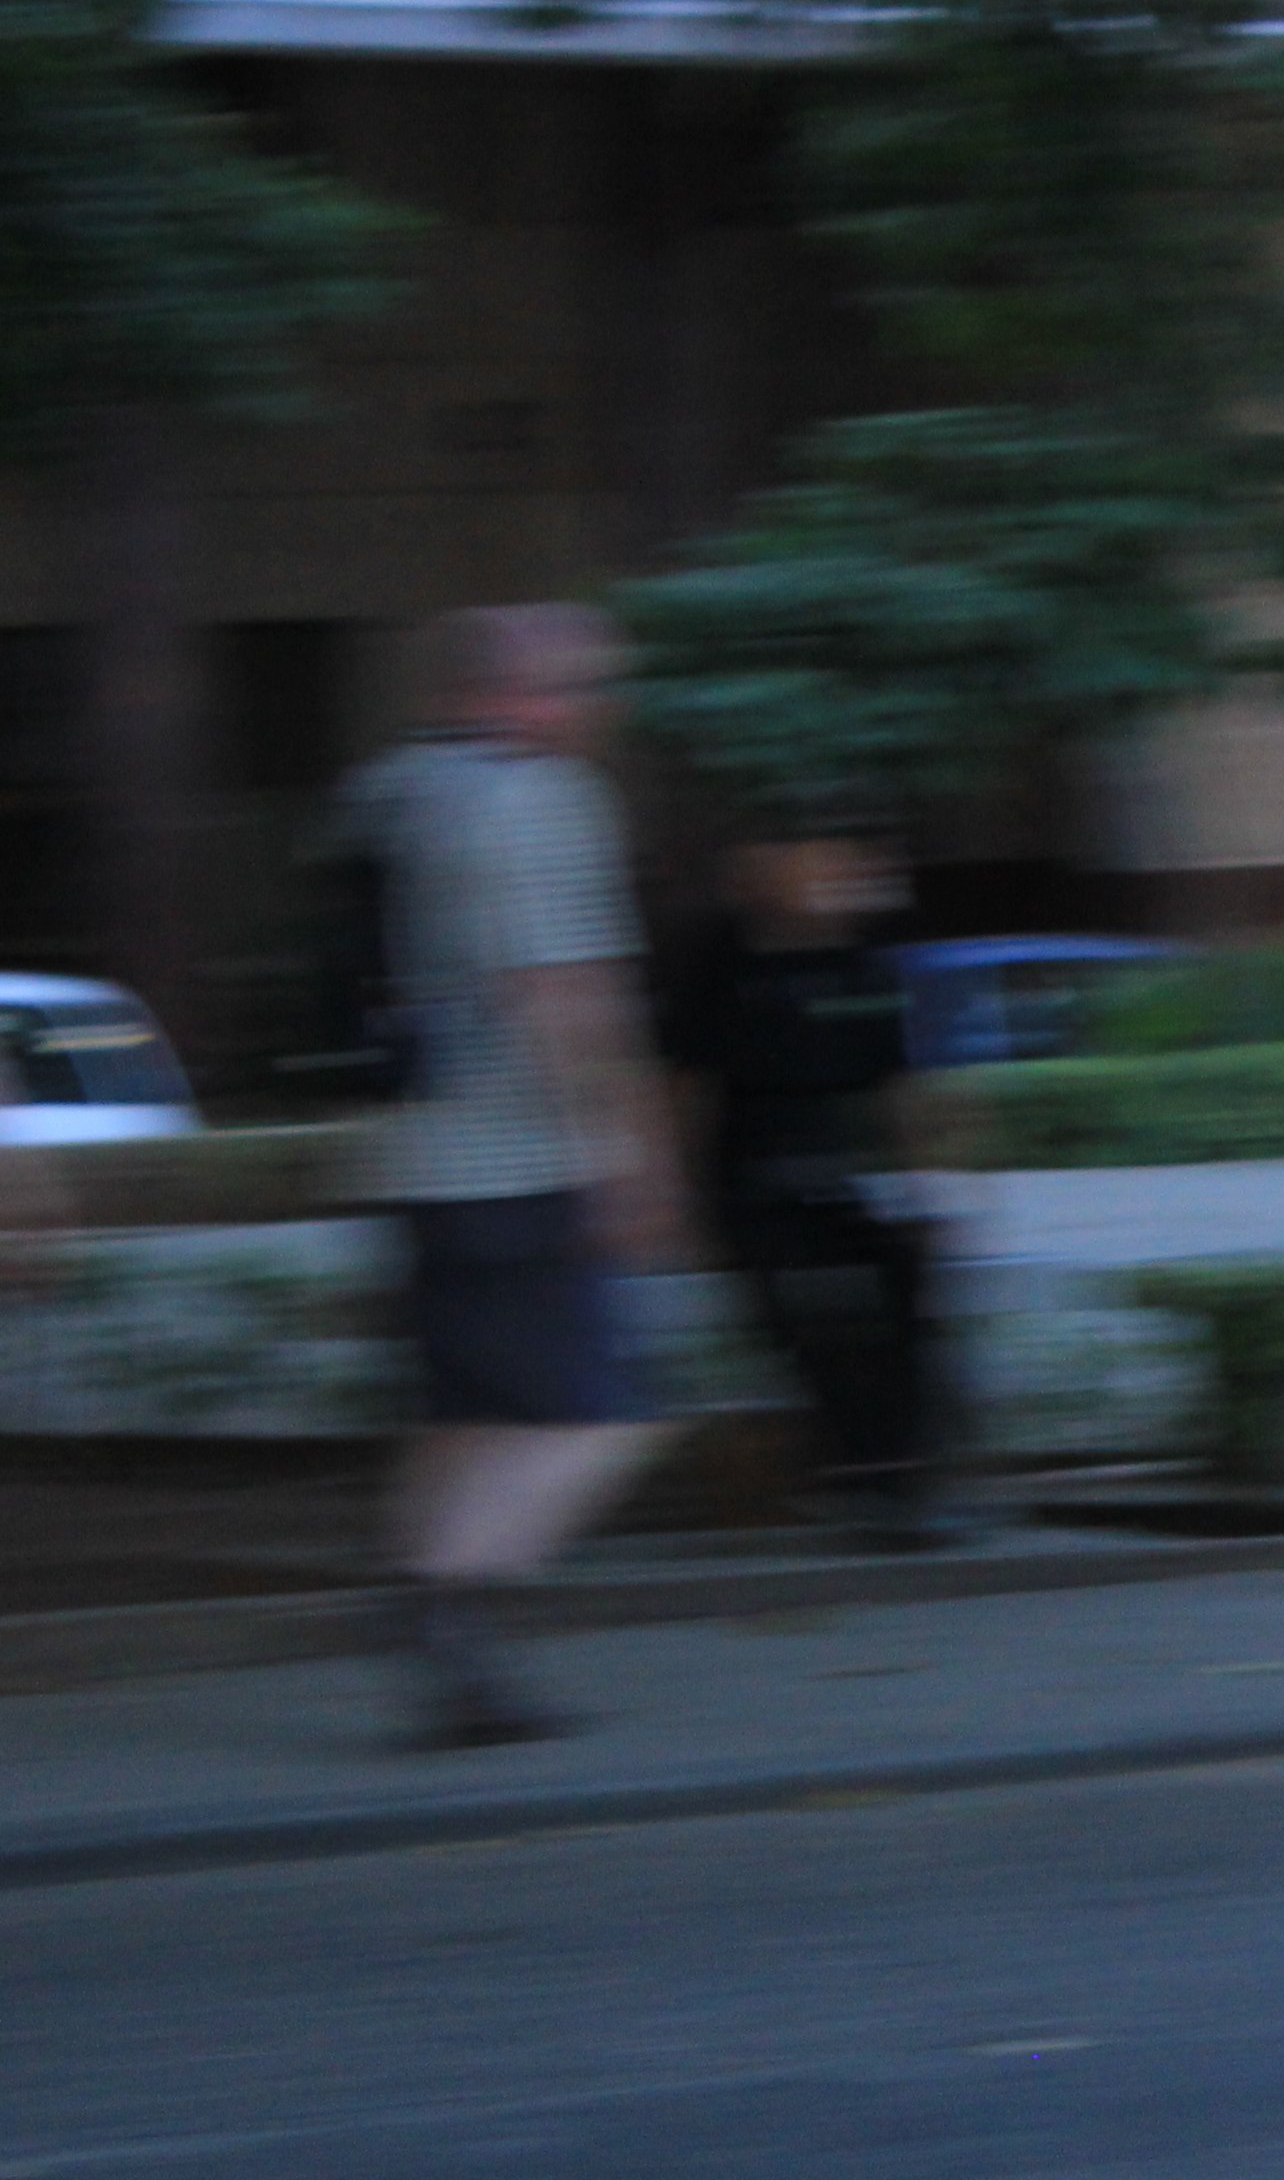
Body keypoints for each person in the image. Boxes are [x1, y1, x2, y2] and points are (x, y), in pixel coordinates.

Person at [344, 602, 689, 1749]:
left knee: (467, 1413)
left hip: (411, 1155)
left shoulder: (390, 792)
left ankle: (451, 1647)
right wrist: (627, 1157)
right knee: (602, 1418)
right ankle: (443, 1603)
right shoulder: (539, 799)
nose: (602, 707)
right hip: (520, 1161)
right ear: (515, 692)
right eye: (584, 685)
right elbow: (568, 997)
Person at [658, 806, 958, 1547]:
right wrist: (679, 1195)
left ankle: (899, 1475)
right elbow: (685, 1086)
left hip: (846, 1174)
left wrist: (930, 1180)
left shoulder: (861, 958)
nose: (828, 879)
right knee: (804, 1328)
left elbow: (898, 1083)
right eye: (811, 862)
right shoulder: (720, 960)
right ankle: (861, 1474)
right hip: (750, 1174)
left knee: (906, 1300)